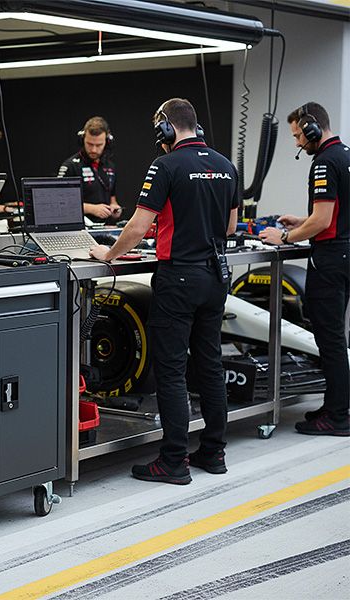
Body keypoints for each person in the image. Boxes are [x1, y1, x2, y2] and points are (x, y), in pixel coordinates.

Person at [90, 98, 239, 484]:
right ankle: (214, 452)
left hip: (180, 279)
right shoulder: (226, 166)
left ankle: (173, 461)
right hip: (216, 276)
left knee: (171, 371)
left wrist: (108, 253)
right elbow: (230, 228)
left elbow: (138, 227)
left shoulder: (166, 165)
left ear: (165, 129)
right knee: (209, 364)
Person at [258, 102, 350, 436]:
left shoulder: (325, 162)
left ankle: (339, 417)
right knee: (335, 337)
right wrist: (302, 221)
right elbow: (333, 215)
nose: (297, 143)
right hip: (345, 255)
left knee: (330, 340)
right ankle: (336, 406)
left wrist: (283, 236)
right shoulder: (347, 155)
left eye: (298, 135)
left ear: (312, 128)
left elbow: (324, 220)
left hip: (330, 260)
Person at [57, 116, 121, 223]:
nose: (94, 150)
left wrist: (115, 208)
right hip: (79, 229)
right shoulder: (70, 166)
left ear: (107, 142)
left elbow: (112, 200)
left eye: (99, 145)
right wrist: (91, 209)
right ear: (82, 140)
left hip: (105, 228)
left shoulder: (110, 166)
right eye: (90, 144)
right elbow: (59, 203)